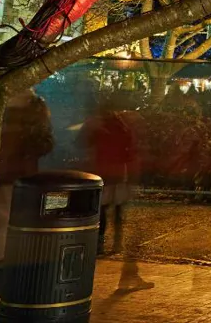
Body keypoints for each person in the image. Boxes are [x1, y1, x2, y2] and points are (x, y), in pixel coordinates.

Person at [0, 89, 54, 309]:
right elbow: (44, 145)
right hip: (18, 179)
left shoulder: (0, 114)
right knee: (5, 234)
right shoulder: (32, 116)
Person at [80, 95, 153, 292]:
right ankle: (117, 243)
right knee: (117, 209)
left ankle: (101, 243)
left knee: (103, 209)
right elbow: (128, 146)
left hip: (102, 170)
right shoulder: (120, 123)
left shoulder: (95, 123)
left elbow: (84, 142)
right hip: (117, 171)